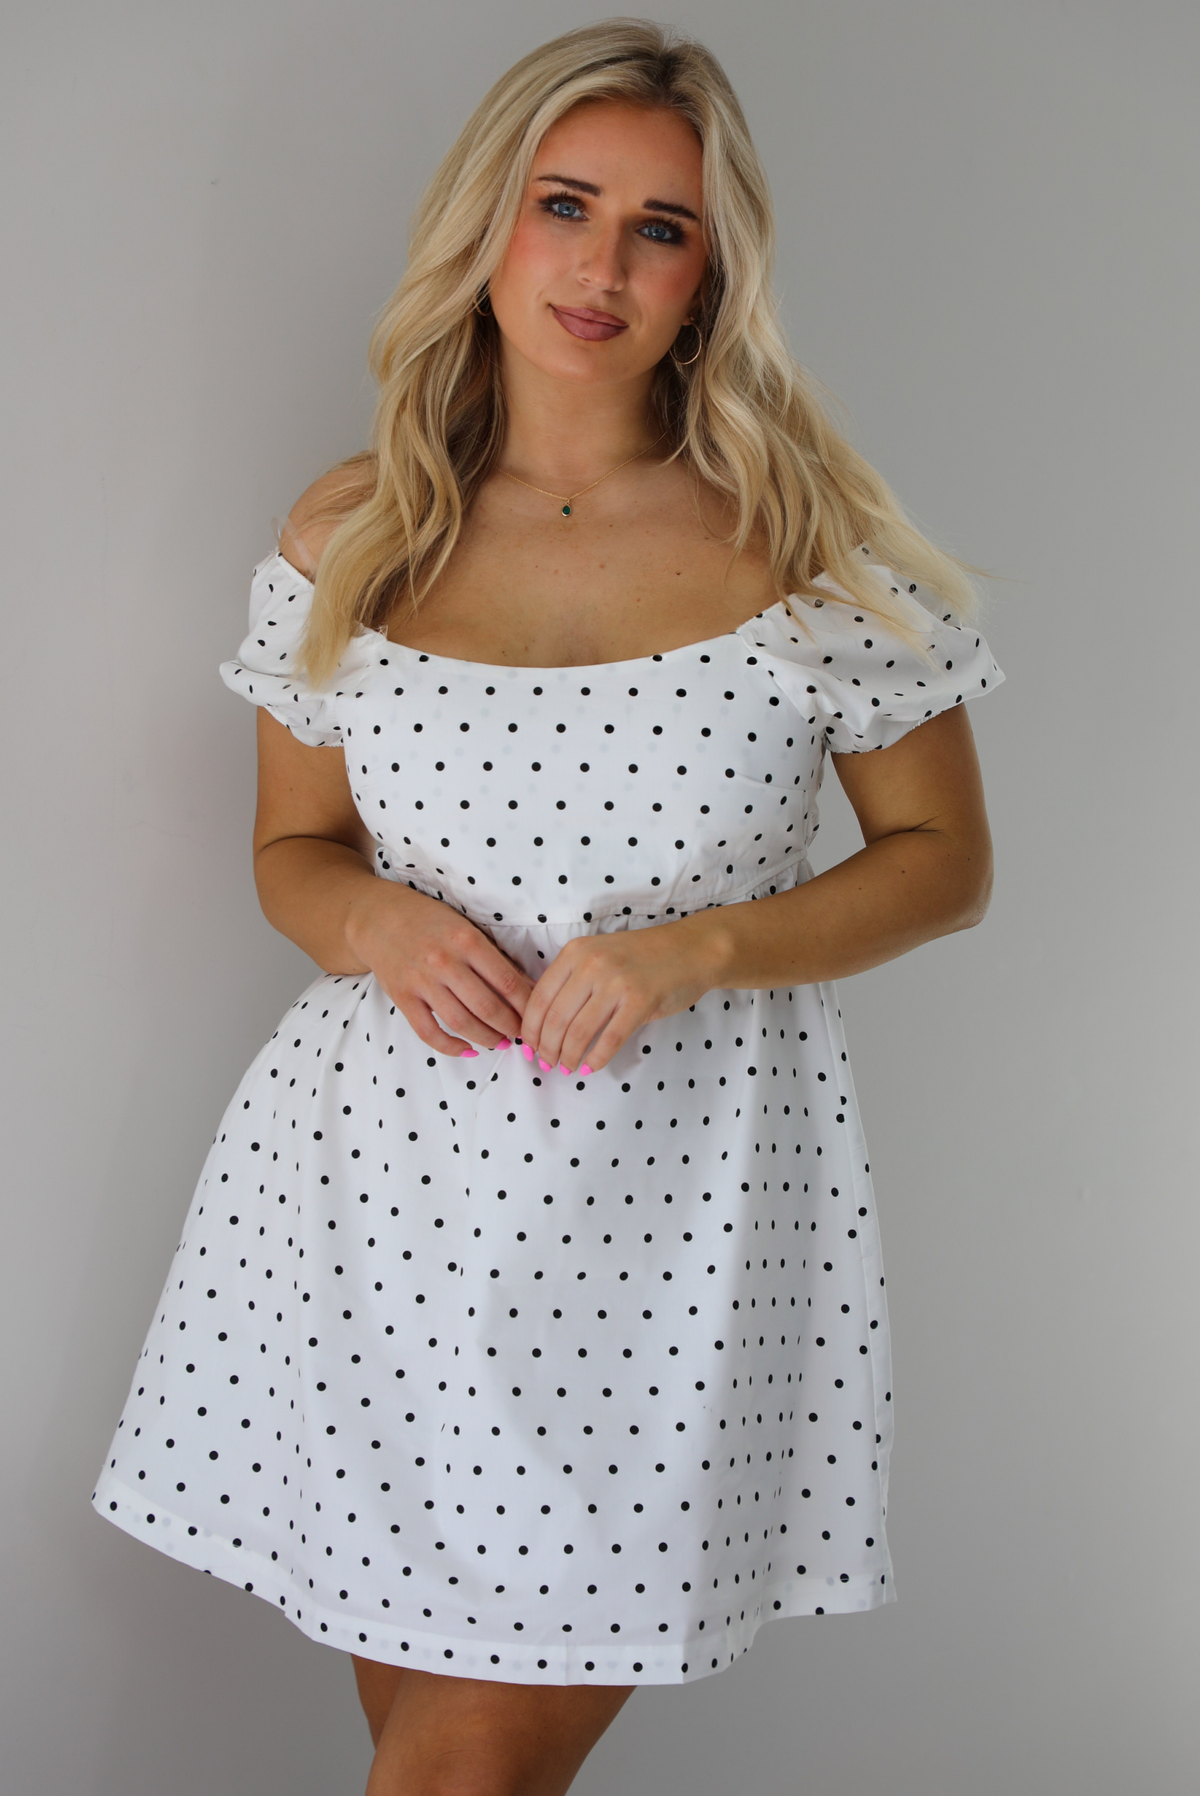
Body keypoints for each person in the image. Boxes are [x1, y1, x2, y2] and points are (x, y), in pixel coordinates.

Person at [93, 19, 1004, 1795]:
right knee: (437, 1752)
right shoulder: (357, 532)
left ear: (712, 271)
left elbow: (946, 862)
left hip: (677, 1235)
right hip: (375, 1215)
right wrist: (371, 929)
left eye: (658, 227)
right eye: (561, 203)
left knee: (458, 1771)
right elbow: (294, 856)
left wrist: (700, 948)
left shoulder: (814, 544)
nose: (599, 264)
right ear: (484, 226)